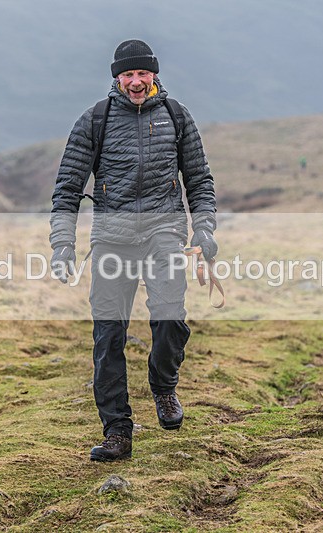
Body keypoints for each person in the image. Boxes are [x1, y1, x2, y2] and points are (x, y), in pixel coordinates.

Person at [49, 39, 217, 462]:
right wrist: (62, 245)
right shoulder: (96, 120)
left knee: (170, 320)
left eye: (143, 74)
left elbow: (199, 181)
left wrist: (206, 230)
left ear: (154, 75)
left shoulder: (177, 117)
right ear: (117, 78)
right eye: (128, 74)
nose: (136, 81)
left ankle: (163, 385)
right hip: (111, 239)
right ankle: (117, 431)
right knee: (108, 338)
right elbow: (67, 189)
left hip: (164, 232)